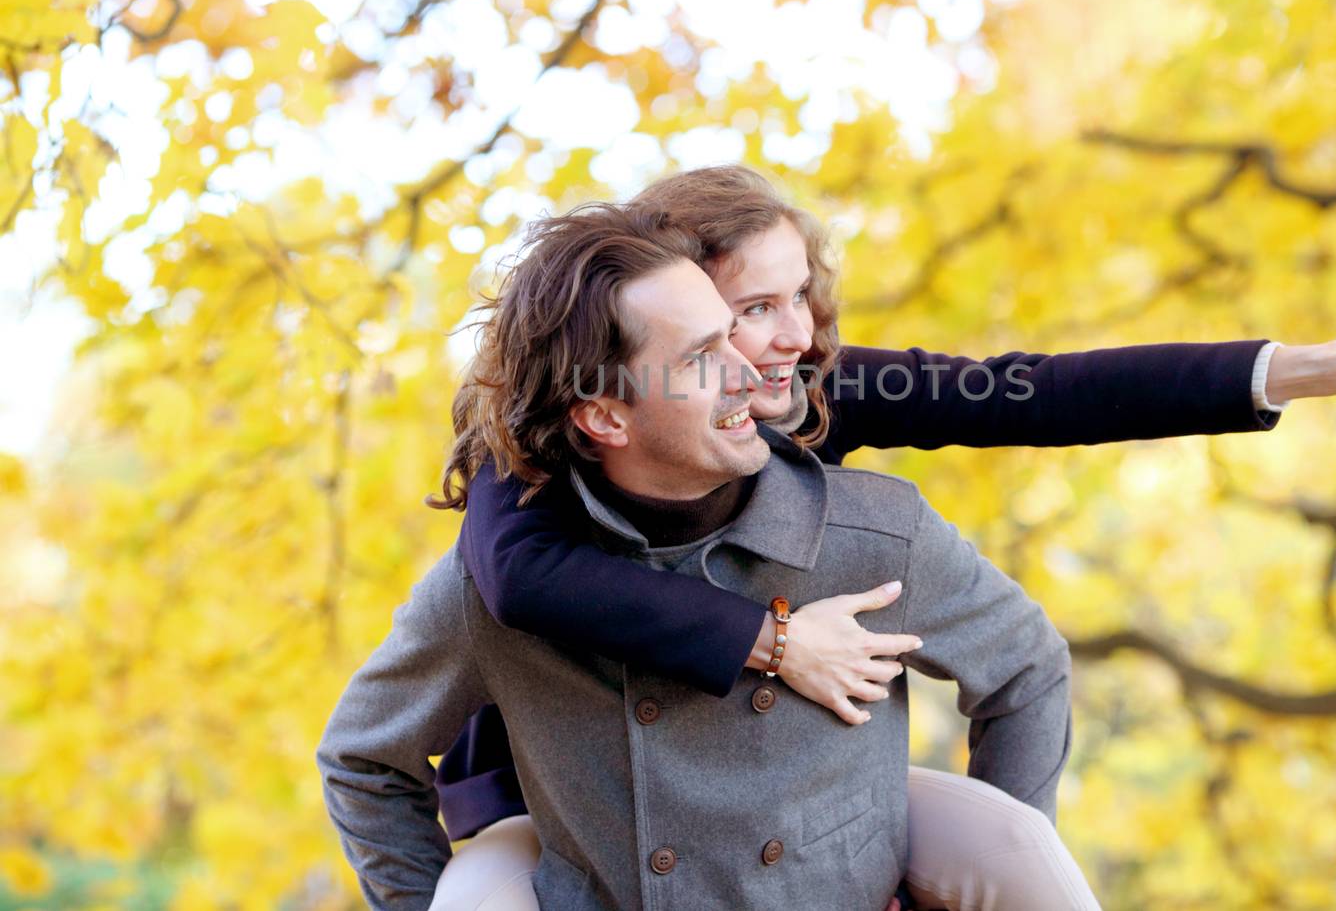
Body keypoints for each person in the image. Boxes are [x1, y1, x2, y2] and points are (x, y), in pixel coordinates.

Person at [423, 166, 1336, 910]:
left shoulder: (807, 390)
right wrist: (775, 637)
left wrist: (1306, 367)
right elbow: (519, 574)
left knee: (1005, 843)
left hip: (774, 781)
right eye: (754, 307)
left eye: (800, 298)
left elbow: (1040, 390)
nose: (795, 335)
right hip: (575, 805)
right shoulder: (557, 434)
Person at [318, 201, 1077, 910]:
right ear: (605, 416)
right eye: (701, 356)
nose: (755, 371)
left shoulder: (870, 532)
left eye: (730, 331)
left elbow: (1025, 662)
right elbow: (364, 757)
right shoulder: (496, 582)